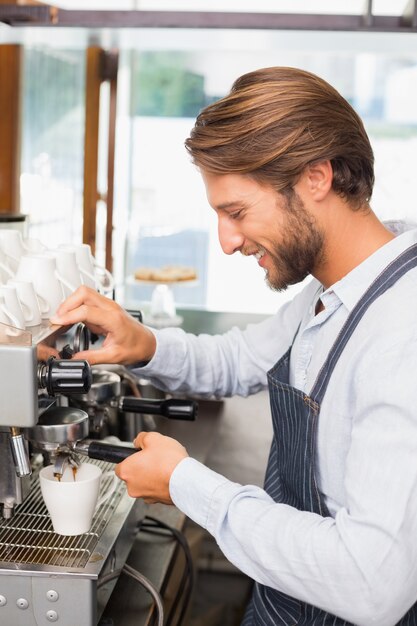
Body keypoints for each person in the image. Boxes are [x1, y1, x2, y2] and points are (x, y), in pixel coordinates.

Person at [51, 67, 417, 626]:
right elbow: (240, 361)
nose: (226, 242)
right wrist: (141, 342)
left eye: (236, 212)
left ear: (316, 177)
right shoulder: (338, 284)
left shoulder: (402, 332)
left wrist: (185, 483)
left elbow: (370, 582)